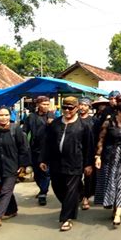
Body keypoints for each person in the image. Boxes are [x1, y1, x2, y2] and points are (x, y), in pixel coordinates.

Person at [40, 96, 94, 231]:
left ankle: (66, 218)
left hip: (75, 163)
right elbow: (47, 143)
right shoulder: (55, 124)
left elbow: (89, 146)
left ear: (76, 108)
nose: (67, 111)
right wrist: (43, 159)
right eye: (65, 108)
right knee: (58, 187)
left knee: (71, 190)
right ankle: (74, 200)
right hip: (56, 162)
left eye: (70, 108)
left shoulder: (84, 126)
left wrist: (88, 164)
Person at [0, 106, 31, 228]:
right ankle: (12, 210)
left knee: (5, 191)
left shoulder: (15, 129)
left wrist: (23, 165)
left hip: (13, 166)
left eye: (7, 115)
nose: (4, 118)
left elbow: (23, 148)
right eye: (1, 115)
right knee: (4, 189)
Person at [94, 101, 121, 226]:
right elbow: (101, 140)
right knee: (111, 182)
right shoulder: (108, 123)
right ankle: (114, 207)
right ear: (119, 112)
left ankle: (118, 212)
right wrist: (98, 157)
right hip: (109, 158)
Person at [23, 96, 54, 206]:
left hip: (47, 149)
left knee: (45, 172)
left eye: (47, 104)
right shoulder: (31, 117)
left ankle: (43, 194)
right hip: (34, 149)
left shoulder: (51, 117)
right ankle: (42, 188)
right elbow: (24, 131)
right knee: (36, 174)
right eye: (43, 104)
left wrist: (51, 120)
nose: (45, 106)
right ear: (38, 105)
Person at [78, 97, 96, 210]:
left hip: (89, 151)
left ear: (89, 107)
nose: (82, 107)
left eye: (85, 105)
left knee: (89, 177)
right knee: (75, 177)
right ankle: (80, 193)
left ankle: (86, 197)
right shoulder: (74, 119)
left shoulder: (93, 121)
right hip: (76, 152)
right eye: (81, 104)